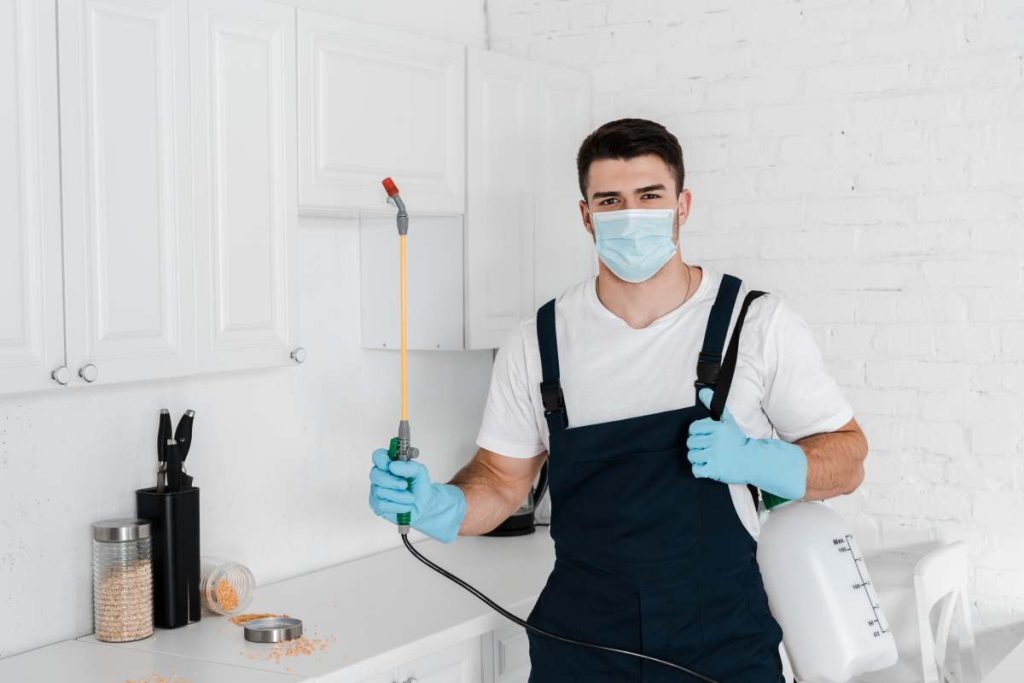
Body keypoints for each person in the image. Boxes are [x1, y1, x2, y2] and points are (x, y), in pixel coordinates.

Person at [368, 118, 868, 681]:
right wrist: (445, 505)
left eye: (649, 196)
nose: (630, 215)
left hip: (724, 641)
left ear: (682, 205)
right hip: (581, 645)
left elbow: (848, 458)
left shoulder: (754, 324)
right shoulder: (538, 342)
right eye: (610, 200)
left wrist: (761, 460)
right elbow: (502, 480)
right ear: (586, 215)